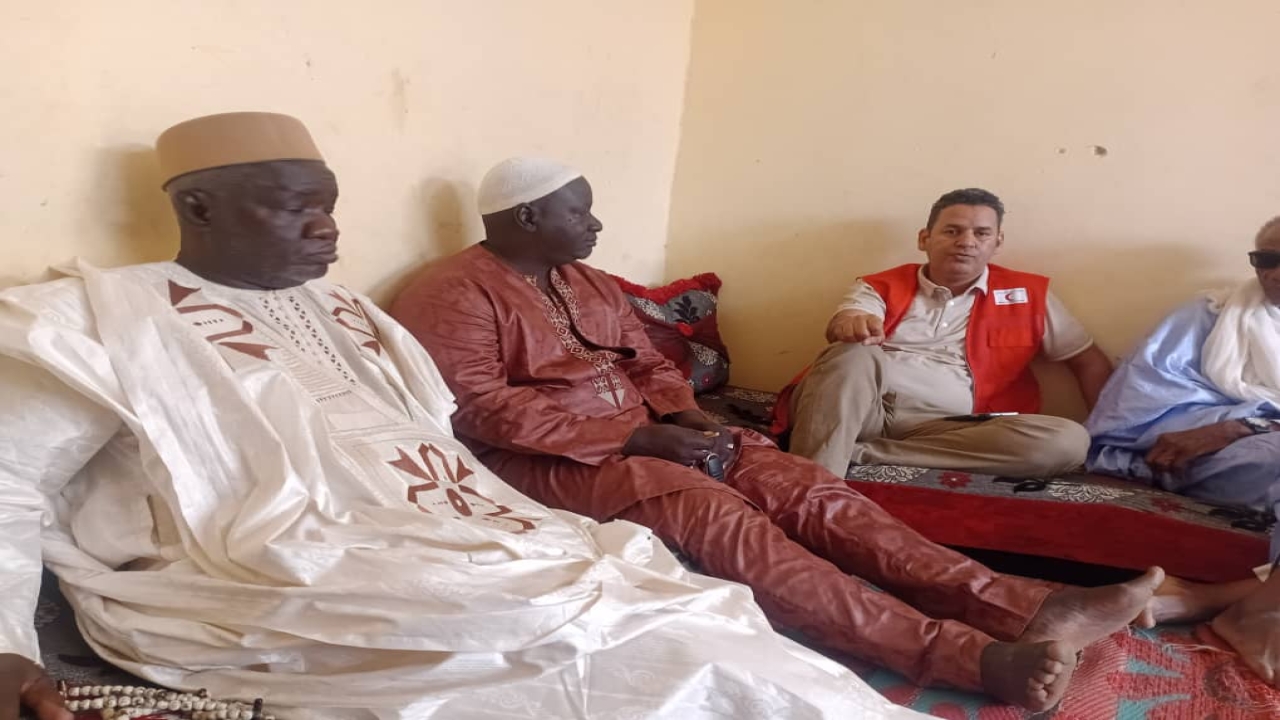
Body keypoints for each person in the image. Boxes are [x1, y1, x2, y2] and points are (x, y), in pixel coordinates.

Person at [0, 113, 936, 720]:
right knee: (598, 640)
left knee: (668, 601)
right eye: (295, 210)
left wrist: (673, 425)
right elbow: (8, 484)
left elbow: (432, 437)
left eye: (330, 208)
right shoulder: (91, 319)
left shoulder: (348, 311)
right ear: (199, 206)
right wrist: (4, 651)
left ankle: (928, 665)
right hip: (287, 571)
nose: (329, 230)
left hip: (462, 532)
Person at [392, 157, 1166, 711]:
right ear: (527, 218)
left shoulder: (586, 281)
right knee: (723, 517)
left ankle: (1021, 607)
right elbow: (478, 409)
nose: (595, 224)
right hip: (547, 460)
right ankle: (969, 657)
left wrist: (692, 420)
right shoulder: (452, 293)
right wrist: (640, 444)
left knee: (805, 485)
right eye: (579, 212)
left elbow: (650, 365)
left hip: (645, 435)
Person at [776, 188, 1114, 478]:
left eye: (981, 233)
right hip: (869, 412)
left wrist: (1109, 437)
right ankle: (811, 486)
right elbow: (850, 317)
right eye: (952, 231)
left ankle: (859, 453)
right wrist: (851, 323)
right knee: (852, 351)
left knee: (1068, 442)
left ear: (997, 242)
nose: (966, 242)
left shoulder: (1029, 294)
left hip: (959, 429)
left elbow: (1089, 362)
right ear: (924, 239)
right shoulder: (880, 285)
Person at [1087, 216, 1280, 686]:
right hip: (1216, 452)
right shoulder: (1207, 315)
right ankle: (1250, 619)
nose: (1275, 272)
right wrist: (1229, 427)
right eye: (1266, 258)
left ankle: (1209, 601)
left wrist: (1247, 422)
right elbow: (1132, 412)